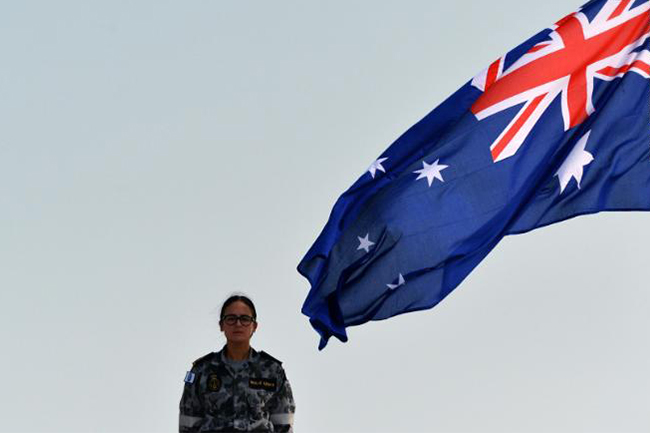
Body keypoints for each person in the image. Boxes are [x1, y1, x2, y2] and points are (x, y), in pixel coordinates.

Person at [179, 295, 296, 432]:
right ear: (221, 325)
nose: (238, 324)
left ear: (254, 326)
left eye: (245, 319)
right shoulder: (201, 370)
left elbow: (284, 424)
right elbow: (188, 424)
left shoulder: (272, 371)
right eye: (231, 319)